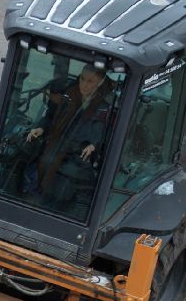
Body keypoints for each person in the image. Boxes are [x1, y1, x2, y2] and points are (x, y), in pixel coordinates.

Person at [21, 63, 119, 212]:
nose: (84, 85)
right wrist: (41, 127)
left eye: (90, 81)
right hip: (59, 144)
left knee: (65, 178)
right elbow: (50, 116)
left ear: (100, 83)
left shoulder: (109, 106)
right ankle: (36, 195)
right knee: (38, 159)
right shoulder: (68, 95)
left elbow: (112, 134)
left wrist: (95, 145)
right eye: (82, 79)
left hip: (83, 155)